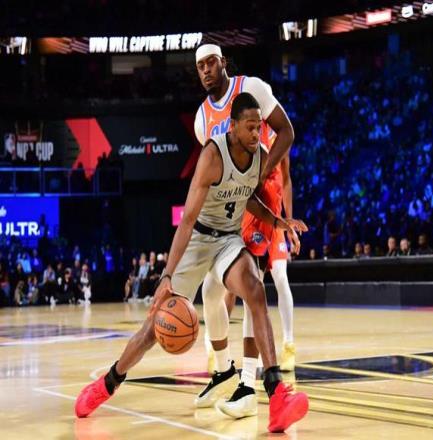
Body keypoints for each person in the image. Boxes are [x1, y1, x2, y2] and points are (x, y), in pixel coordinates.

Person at [75, 93, 309, 433]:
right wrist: (167, 276)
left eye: (259, 126)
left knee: (255, 290)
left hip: (228, 240)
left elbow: (248, 198)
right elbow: (187, 220)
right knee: (153, 328)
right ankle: (107, 383)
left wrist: (278, 222)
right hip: (198, 239)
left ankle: (277, 396)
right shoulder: (213, 155)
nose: (257, 133)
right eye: (250, 126)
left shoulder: (259, 155)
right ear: (232, 126)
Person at [194, 44, 299, 390]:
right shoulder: (202, 118)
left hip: (260, 199)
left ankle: (251, 379)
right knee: (213, 289)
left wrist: (265, 184)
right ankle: (223, 362)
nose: (206, 70)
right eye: (200, 65)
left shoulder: (251, 88)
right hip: (231, 205)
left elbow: (287, 135)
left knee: (258, 284)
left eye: (211, 62)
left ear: (222, 62)